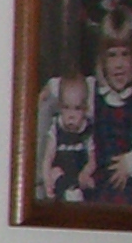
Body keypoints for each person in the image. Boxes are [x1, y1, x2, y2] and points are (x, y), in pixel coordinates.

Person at [88, 23, 132, 205]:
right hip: (98, 189)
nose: (119, 64)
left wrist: (130, 163)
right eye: (112, 56)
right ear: (102, 61)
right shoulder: (93, 95)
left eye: (125, 55)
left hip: (129, 193)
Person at [39, 73, 98, 202]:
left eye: (77, 109)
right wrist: (47, 181)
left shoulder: (87, 129)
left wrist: (86, 172)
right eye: (66, 108)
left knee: (91, 183)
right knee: (55, 173)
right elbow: (47, 158)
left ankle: (77, 193)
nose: (71, 115)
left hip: (79, 174)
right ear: (60, 108)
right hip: (61, 175)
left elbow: (93, 159)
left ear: (85, 109)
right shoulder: (56, 128)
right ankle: (68, 193)